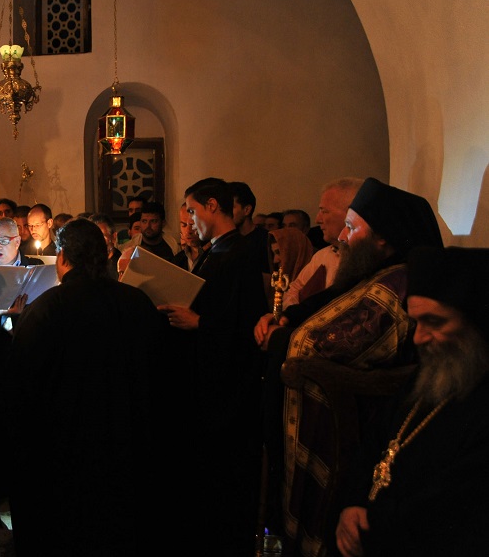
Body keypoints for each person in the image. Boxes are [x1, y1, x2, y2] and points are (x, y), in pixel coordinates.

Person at [254, 177, 444, 557]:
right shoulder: (375, 271)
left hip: (353, 430)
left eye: (352, 228)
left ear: (383, 238)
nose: (342, 236)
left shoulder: (396, 284)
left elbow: (323, 343)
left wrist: (278, 338)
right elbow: (325, 303)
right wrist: (285, 320)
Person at [8, 217, 168, 557]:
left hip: (65, 454)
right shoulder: (137, 302)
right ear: (104, 255)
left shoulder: (46, 308)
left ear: (63, 258)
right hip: (127, 447)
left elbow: (22, 384)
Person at [335, 246, 489, 557]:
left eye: (435, 322)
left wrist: (375, 524)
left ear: (477, 321)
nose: (418, 338)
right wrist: (351, 504)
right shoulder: (430, 374)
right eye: (416, 322)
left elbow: (458, 502)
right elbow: (374, 443)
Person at [157, 177, 269, 555]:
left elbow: (248, 323)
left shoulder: (240, 254)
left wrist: (200, 323)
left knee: (221, 486)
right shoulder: (216, 251)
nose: (190, 220)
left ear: (212, 206)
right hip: (204, 380)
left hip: (225, 393)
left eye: (192, 211)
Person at [282, 177, 364, 308]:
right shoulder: (322, 256)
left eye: (324, 211)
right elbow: (294, 290)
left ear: (350, 214)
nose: (318, 220)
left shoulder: (367, 259)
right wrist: (293, 314)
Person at [89, 212, 122, 279]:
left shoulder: (122, 266)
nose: (97, 241)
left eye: (102, 236)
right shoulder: (87, 265)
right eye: (93, 236)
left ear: (114, 237)